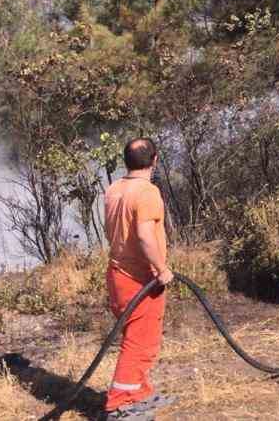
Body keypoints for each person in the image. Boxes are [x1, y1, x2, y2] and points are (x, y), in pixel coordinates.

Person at [103, 137, 176, 418]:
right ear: (154, 160)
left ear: (126, 161)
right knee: (140, 343)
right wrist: (161, 269)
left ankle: (140, 393)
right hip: (140, 279)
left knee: (138, 336)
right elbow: (145, 236)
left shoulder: (114, 189)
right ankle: (119, 404)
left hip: (118, 273)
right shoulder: (147, 192)